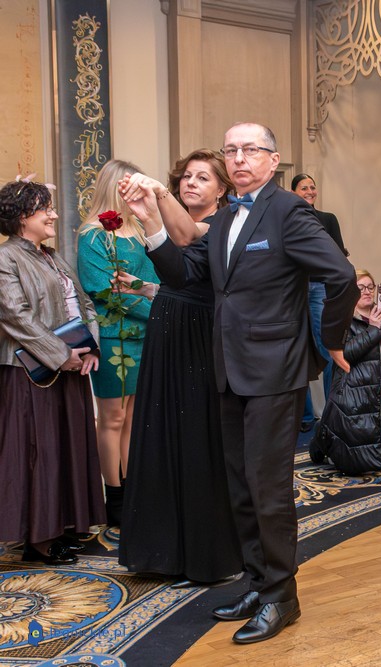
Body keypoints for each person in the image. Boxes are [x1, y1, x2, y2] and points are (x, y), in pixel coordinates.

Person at [125, 122, 358, 644]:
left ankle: (282, 597)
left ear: (273, 160)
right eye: (231, 150)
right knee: (242, 486)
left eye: (251, 149)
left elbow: (341, 275)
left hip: (275, 370)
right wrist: (151, 223)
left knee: (268, 489)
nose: (239, 158)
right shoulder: (228, 215)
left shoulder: (288, 211)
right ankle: (258, 583)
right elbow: (185, 275)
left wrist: (332, 340)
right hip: (228, 369)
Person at [115, 149, 242, 587]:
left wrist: (152, 217)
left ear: (222, 190)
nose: (191, 182)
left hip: (197, 339)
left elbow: (182, 272)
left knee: (194, 441)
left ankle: (207, 557)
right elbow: (173, 281)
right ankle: (162, 551)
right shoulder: (182, 223)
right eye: (187, 176)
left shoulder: (221, 226)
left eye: (203, 177)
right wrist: (146, 287)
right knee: (160, 434)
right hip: (167, 332)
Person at [0, 180, 105, 564]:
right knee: (38, 451)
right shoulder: (5, 258)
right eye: (46, 208)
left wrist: (90, 348)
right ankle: (38, 538)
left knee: (66, 448)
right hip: (30, 372)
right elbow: (16, 317)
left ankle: (63, 526)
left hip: (71, 366)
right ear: (22, 216)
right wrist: (61, 355)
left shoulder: (52, 255)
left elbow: (84, 303)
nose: (55, 215)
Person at [77, 159, 159, 526]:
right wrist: (156, 311)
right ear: (115, 186)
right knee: (112, 418)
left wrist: (154, 305)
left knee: (133, 418)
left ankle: (131, 484)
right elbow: (103, 292)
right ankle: (115, 497)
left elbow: (154, 281)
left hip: (145, 337)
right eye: (130, 186)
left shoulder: (139, 230)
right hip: (113, 338)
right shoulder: (92, 236)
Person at [311, 269, 381, 473]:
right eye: (361, 288)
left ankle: (329, 432)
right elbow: (345, 354)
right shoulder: (343, 320)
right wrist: (373, 329)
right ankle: (324, 436)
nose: (367, 291)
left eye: (370, 287)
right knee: (357, 464)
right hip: (362, 396)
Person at [291, 172, 348, 433]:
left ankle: (330, 411)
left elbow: (339, 256)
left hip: (317, 287)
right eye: (304, 188)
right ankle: (303, 415)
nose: (310, 191)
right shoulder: (287, 219)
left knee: (327, 348)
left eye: (312, 187)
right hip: (292, 289)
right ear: (293, 192)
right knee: (297, 349)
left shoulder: (327, 219)